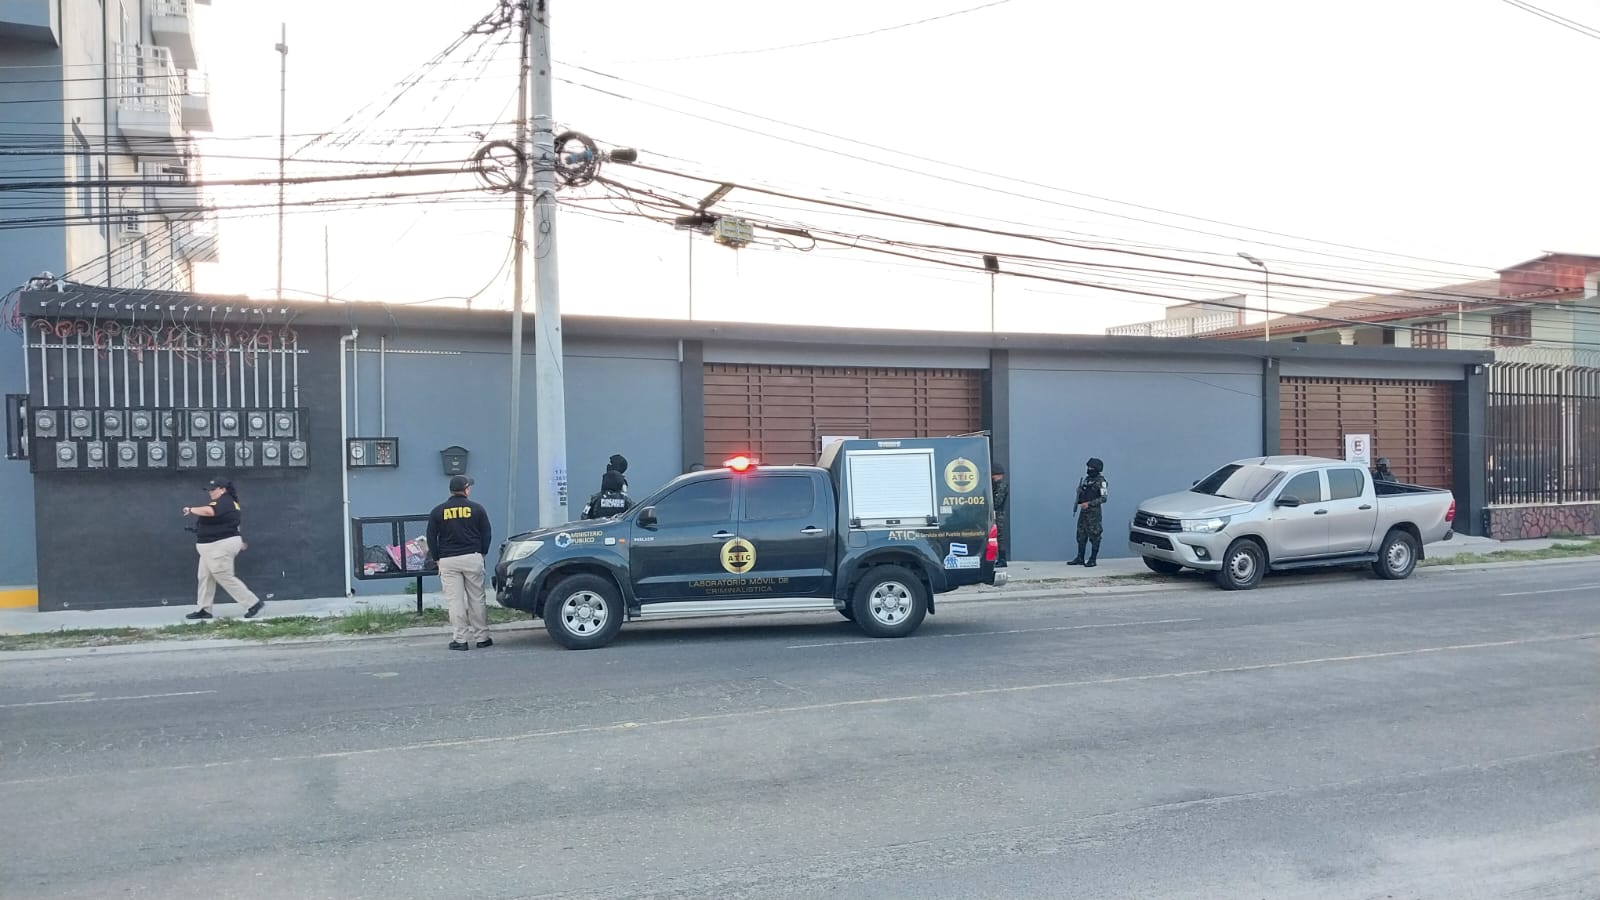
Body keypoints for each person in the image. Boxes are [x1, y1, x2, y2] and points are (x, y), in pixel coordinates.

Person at [426, 475, 493, 651]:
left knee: (455, 601)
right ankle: (482, 637)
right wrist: (483, 553)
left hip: (448, 560)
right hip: (472, 557)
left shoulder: (438, 511)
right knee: (476, 598)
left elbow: (431, 537)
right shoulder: (477, 509)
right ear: (466, 490)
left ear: (450, 491)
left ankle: (460, 640)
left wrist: (437, 558)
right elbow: (486, 533)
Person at [183, 478, 265, 620]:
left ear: (223, 489)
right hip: (213, 547)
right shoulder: (228, 503)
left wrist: (191, 510)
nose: (210, 492)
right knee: (205, 577)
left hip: (218, 546)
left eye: (213, 489)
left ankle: (253, 603)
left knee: (224, 576)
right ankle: (204, 609)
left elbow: (210, 511)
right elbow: (230, 523)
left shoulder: (224, 501)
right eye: (209, 490)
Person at [1069, 457, 1109, 568]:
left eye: (1091, 468)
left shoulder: (1101, 482)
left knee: (1095, 535)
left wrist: (1090, 504)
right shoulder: (1086, 480)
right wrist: (1080, 492)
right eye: (1088, 467)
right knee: (1081, 534)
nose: (1089, 469)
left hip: (1093, 514)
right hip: (1084, 512)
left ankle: (1092, 559)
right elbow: (1084, 493)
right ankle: (1080, 557)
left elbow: (1104, 498)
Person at [990, 462, 1010, 568]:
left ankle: (1002, 559)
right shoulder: (997, 485)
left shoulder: (1001, 485)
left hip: (998, 514)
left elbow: (997, 502)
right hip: (996, 513)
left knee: (999, 536)